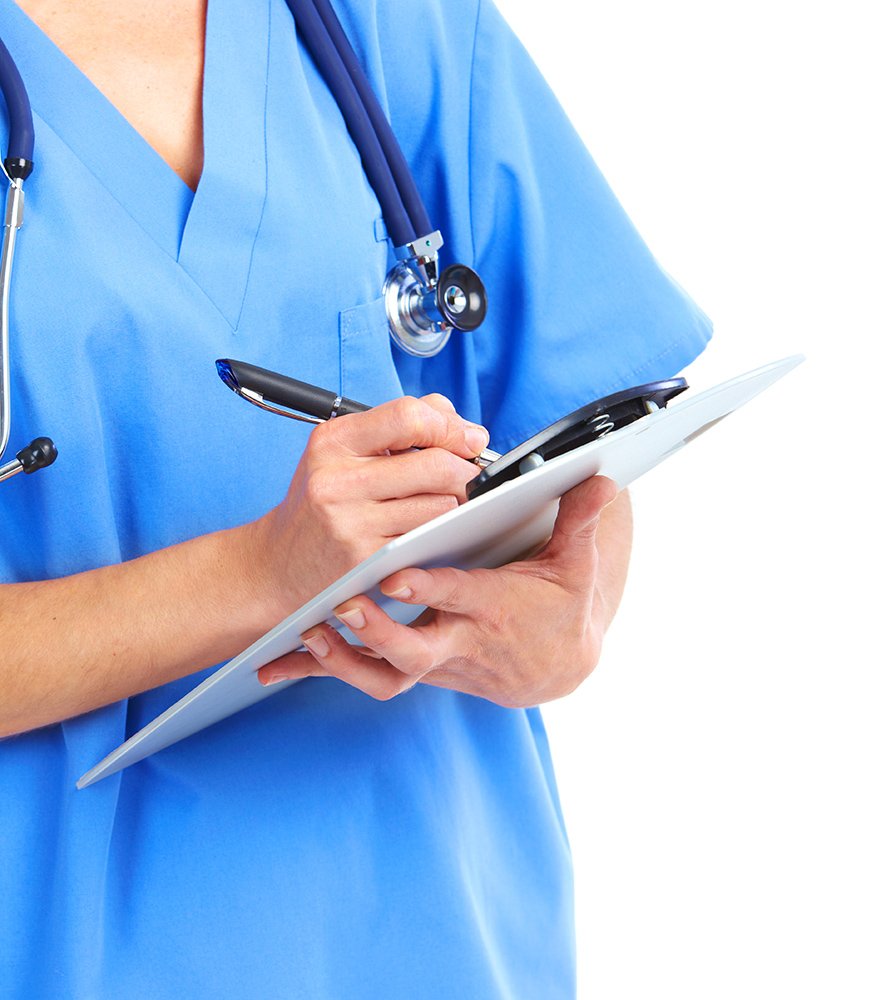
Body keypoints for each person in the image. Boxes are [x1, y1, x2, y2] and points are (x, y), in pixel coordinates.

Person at [0, 0, 711, 996]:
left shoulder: (384, 20)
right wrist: (264, 570)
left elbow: (582, 431)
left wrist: (571, 612)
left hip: (436, 930)